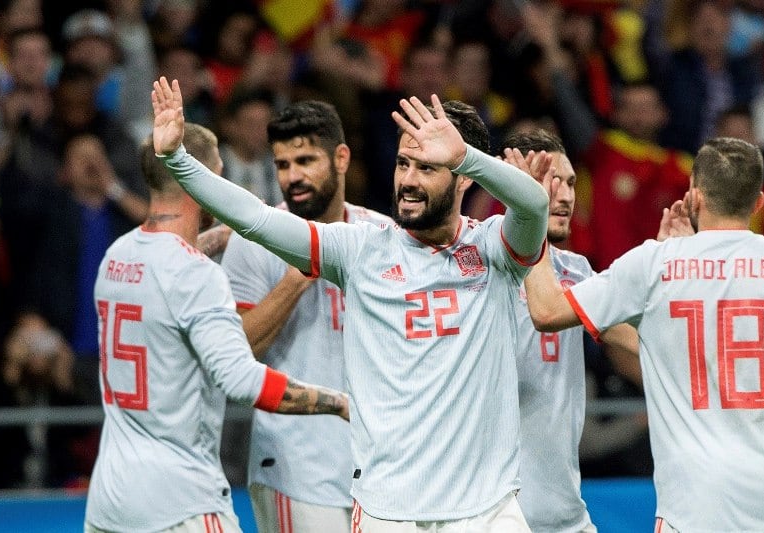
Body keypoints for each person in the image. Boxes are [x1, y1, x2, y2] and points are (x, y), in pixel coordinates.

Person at [153, 75, 550, 530]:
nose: (409, 181)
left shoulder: (494, 251)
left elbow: (534, 207)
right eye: (403, 164)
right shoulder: (360, 251)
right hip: (389, 513)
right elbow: (256, 219)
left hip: (489, 510)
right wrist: (177, 159)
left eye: (427, 167)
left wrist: (466, 156)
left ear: (463, 179)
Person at [83, 122, 350, 533]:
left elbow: (164, 274)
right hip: (180, 503)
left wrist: (218, 236)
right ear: (200, 182)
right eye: (218, 176)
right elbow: (243, 381)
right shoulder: (198, 276)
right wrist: (341, 403)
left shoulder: (118, 257)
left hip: (110, 502)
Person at [524, 136, 764, 532]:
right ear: (758, 203)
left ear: (694, 197)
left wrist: (529, 217)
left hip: (694, 507)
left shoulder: (655, 265)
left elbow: (547, 309)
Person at [219, 99, 392, 532]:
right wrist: (297, 277)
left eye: (305, 160)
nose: (292, 176)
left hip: (380, 465)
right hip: (294, 468)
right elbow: (233, 352)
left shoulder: (382, 237)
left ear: (341, 158)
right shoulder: (254, 241)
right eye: (282, 164)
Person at [503, 129, 639, 533]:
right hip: (493, 512)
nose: (564, 196)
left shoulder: (576, 270)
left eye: (572, 183)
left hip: (564, 512)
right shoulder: (475, 265)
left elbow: (635, 341)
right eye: (550, 180)